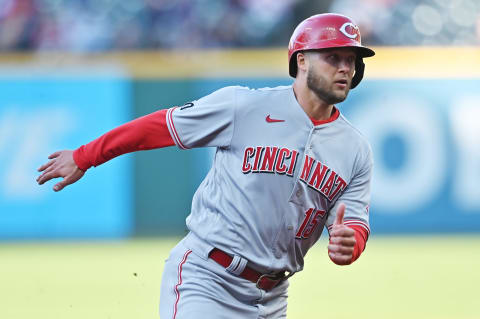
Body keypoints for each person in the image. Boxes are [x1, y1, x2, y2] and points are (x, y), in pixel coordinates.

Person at [36, 13, 375, 319]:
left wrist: (351, 243)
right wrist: (85, 156)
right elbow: (158, 127)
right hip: (208, 278)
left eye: (351, 59)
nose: (345, 67)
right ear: (301, 60)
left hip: (272, 297)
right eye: (333, 57)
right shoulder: (245, 106)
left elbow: (355, 224)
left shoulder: (355, 149)